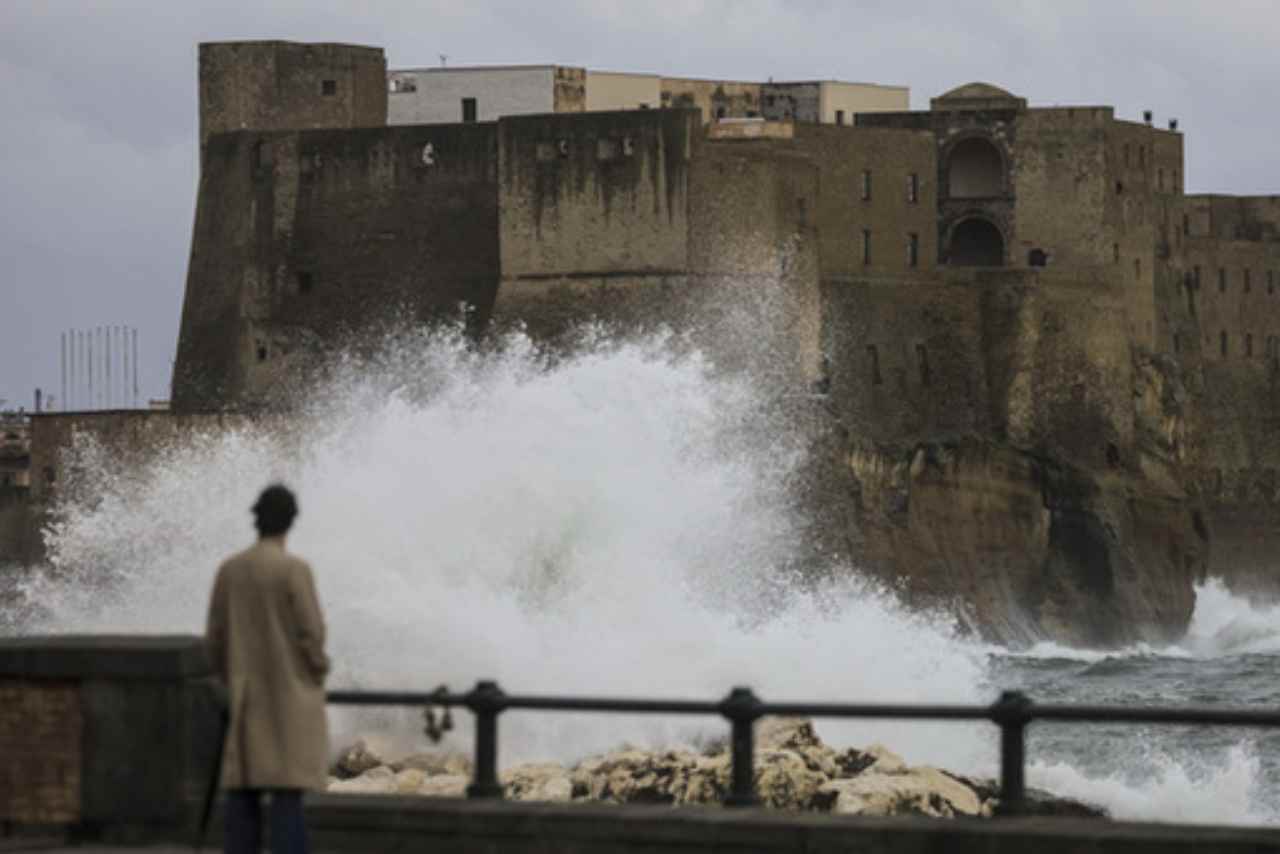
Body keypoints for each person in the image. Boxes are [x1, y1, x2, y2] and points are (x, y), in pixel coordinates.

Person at [206, 484, 330, 854]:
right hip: (288, 697)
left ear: (256, 518)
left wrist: (228, 678)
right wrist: (317, 671)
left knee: (243, 797)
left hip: (244, 697)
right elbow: (311, 634)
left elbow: (215, 638)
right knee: (287, 799)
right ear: (290, 521)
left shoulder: (231, 570)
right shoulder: (294, 570)